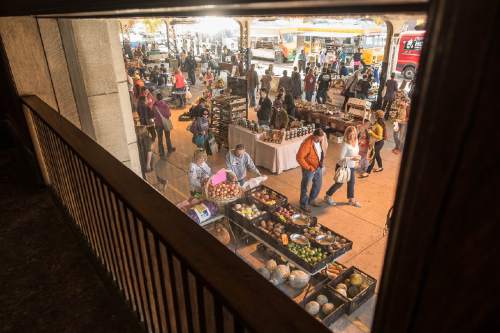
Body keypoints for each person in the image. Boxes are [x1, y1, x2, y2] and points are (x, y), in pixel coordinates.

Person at [324, 126, 362, 208]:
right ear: (347, 135)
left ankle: (351, 199)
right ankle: (327, 196)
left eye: (353, 134)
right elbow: (341, 158)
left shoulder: (356, 141)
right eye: (350, 135)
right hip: (342, 167)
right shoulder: (345, 144)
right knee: (339, 184)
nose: (352, 137)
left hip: (351, 167)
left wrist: (357, 160)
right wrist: (352, 158)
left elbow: (355, 152)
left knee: (351, 183)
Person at [296, 128, 327, 212]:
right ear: (314, 136)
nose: (319, 140)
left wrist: (321, 162)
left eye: (321, 138)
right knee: (305, 186)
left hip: (318, 167)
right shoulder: (307, 143)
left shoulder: (321, 140)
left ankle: (312, 199)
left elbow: (321, 151)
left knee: (318, 184)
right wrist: (309, 167)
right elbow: (299, 157)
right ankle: (303, 204)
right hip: (309, 169)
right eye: (318, 138)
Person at [361, 110, 386, 177]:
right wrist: (370, 128)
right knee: (377, 154)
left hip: (379, 143)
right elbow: (374, 129)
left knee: (372, 157)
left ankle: (367, 172)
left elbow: (380, 137)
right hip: (377, 142)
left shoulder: (379, 126)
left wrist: (371, 132)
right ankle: (380, 167)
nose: (374, 115)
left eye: (375, 114)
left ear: (377, 116)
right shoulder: (377, 123)